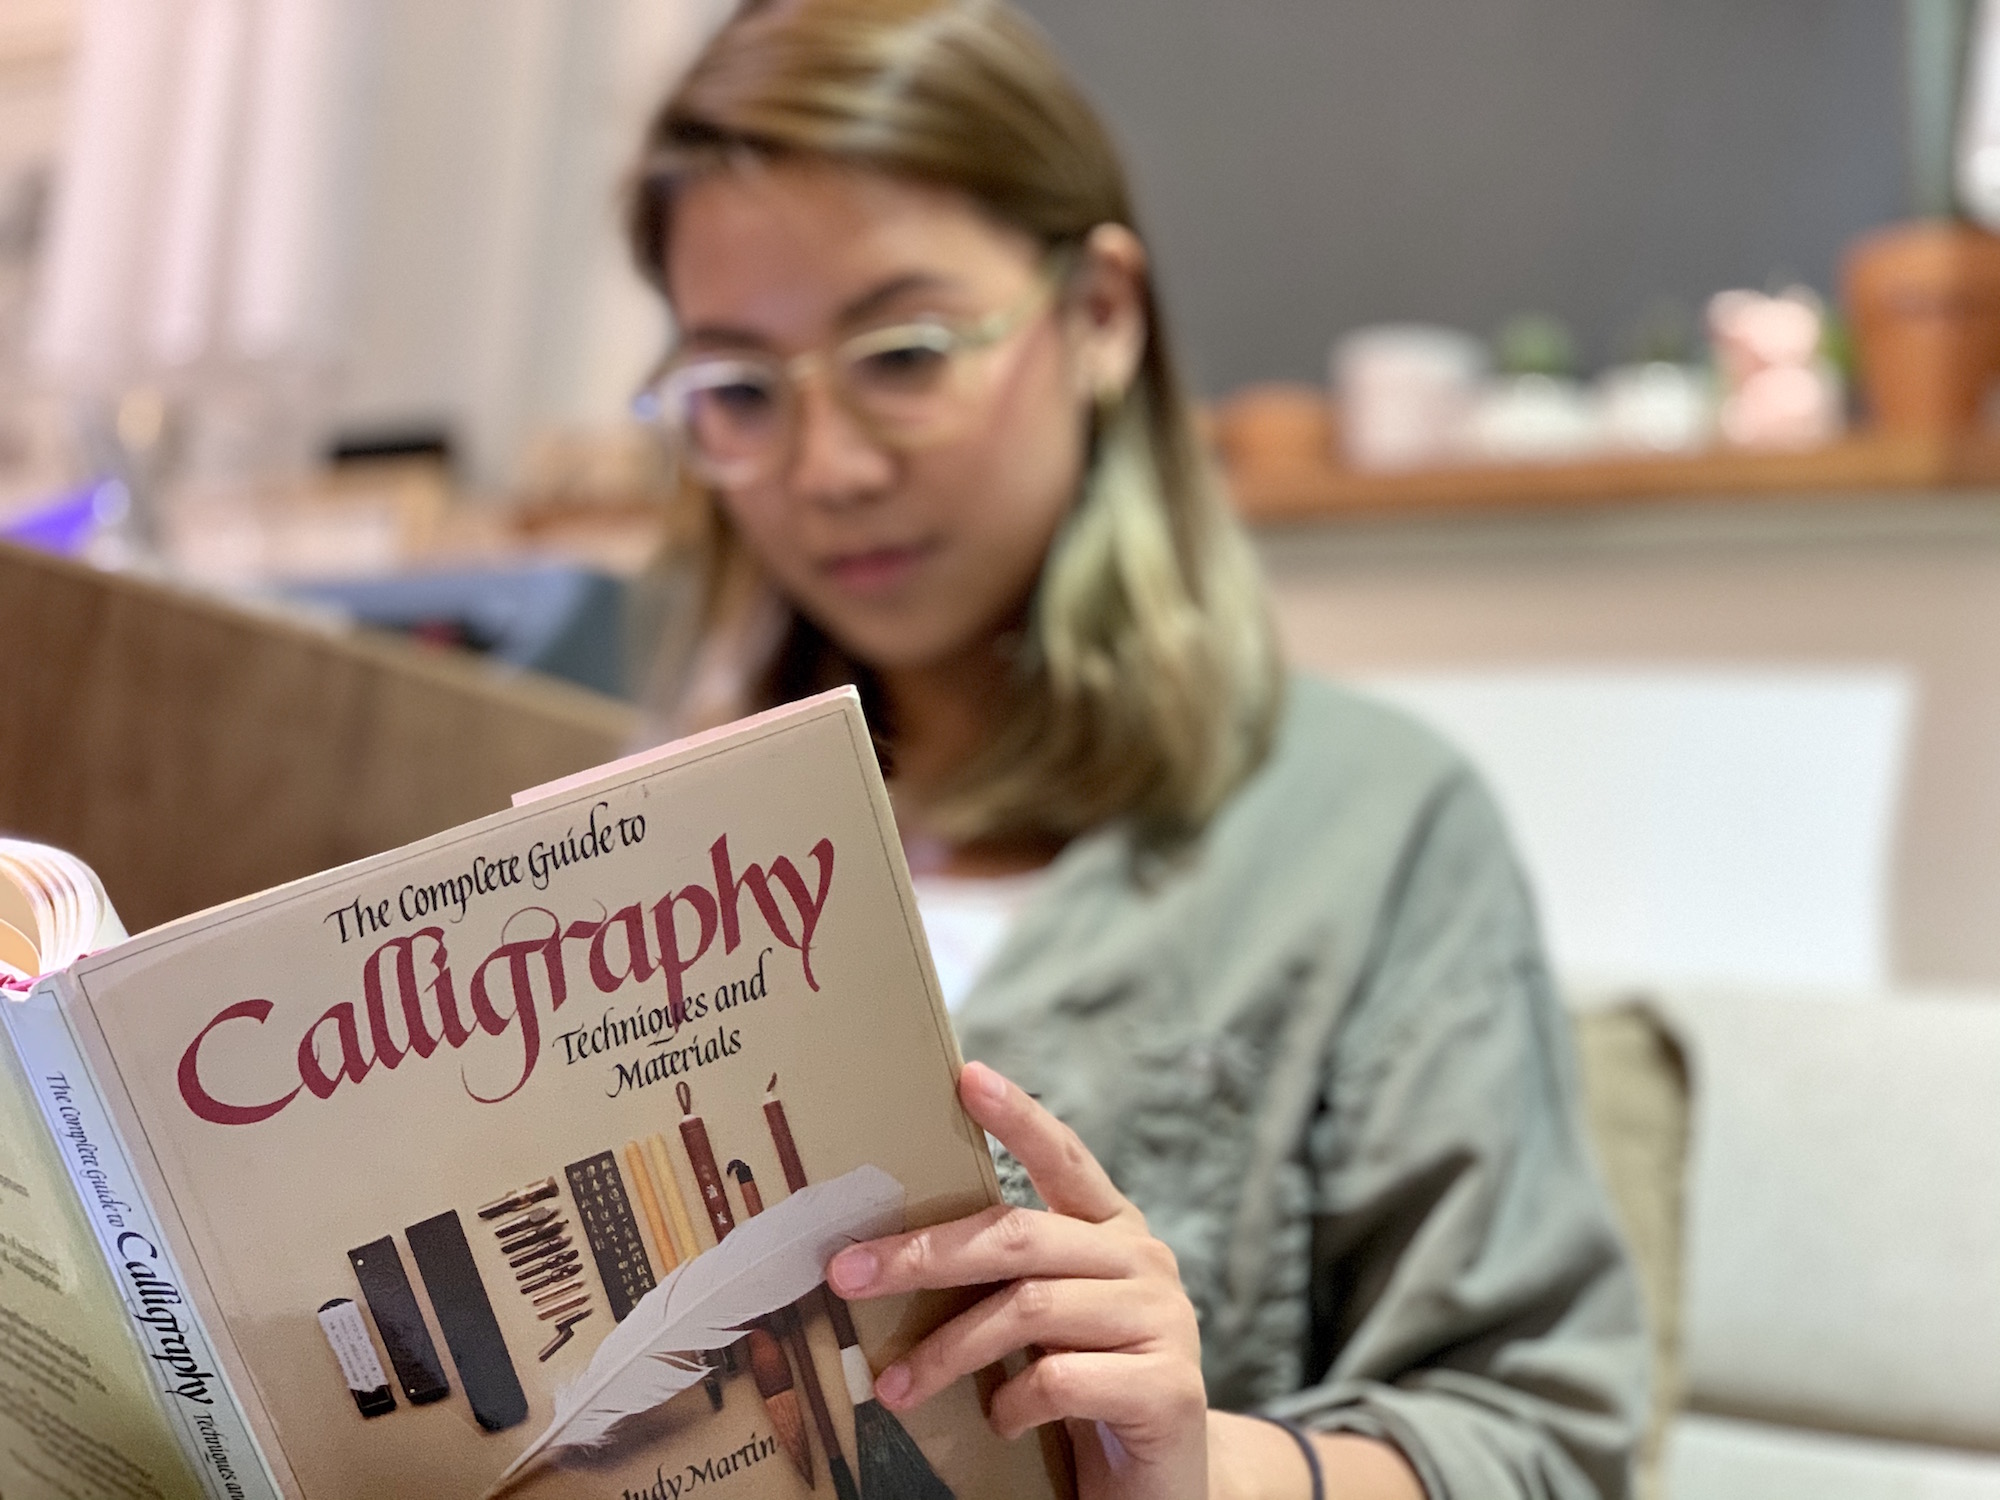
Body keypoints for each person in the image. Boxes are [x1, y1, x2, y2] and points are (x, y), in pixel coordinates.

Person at [623, 2, 1650, 1496]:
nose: (827, 469)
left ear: (1100, 315)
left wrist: (1198, 1466)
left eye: (903, 355)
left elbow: (1543, 1444)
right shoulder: (639, 850)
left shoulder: (1366, 829)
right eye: (739, 392)